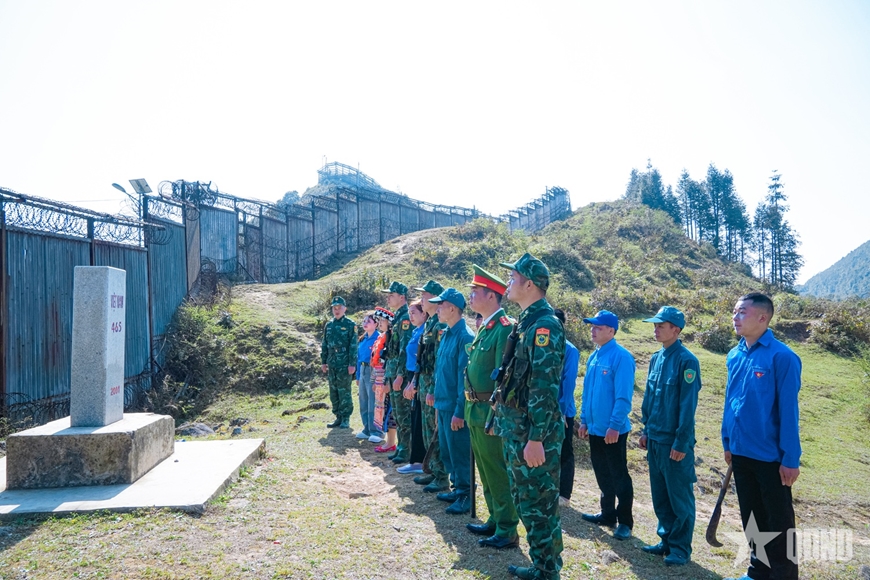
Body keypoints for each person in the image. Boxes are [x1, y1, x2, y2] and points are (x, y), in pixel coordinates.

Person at [495, 253, 565, 580]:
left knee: (539, 508)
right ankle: (541, 567)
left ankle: (548, 572)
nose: (508, 282)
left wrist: (537, 437)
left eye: (513, 278)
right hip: (518, 429)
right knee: (526, 503)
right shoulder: (526, 322)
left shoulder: (545, 326)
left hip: (534, 434)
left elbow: (543, 386)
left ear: (530, 283)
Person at [722, 293, 801, 580]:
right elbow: (730, 402)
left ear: (763, 318)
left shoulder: (783, 357)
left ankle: (784, 575)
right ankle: (758, 571)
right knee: (752, 518)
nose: (735, 317)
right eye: (734, 311)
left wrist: (790, 458)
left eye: (742, 312)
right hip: (741, 452)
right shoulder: (735, 354)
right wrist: (727, 442)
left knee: (779, 523)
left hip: (770, 457)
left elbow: (789, 413)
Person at [638, 306, 701, 567]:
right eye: (654, 325)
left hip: (674, 443)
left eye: (660, 326)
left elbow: (688, 406)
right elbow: (650, 398)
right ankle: (665, 539)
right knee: (660, 495)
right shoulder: (656, 358)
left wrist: (681, 442)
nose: (656, 329)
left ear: (676, 330)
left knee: (679, 497)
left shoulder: (687, 362)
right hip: (655, 438)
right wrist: (645, 430)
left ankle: (680, 548)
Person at [465, 265, 519, 549]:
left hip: (490, 412)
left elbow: (504, 378)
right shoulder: (484, 328)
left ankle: (508, 527)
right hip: (474, 409)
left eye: (475, 292)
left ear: (491, 295)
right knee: (485, 470)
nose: (470, 297)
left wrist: (496, 415)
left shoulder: (503, 329)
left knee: (497, 470)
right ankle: (495, 520)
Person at [577, 310, 636, 541]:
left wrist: (614, 425)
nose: (593, 330)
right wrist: (584, 421)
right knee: (602, 473)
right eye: (592, 326)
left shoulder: (621, 357)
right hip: (595, 428)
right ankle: (607, 514)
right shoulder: (594, 356)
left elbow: (623, 397)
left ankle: (625, 522)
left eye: (598, 327)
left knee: (619, 475)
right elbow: (588, 392)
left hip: (614, 431)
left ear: (611, 331)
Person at [429, 287, 475, 515]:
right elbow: (441, 372)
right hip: (444, 404)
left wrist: (459, 410)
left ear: (453, 308)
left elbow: (464, 380)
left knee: (460, 452)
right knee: (448, 451)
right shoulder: (447, 333)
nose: (437, 308)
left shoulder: (465, 336)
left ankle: (466, 494)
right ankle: (457, 489)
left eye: (441, 305)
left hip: (456, 407)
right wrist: (438, 404)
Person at [413, 280, 450, 492]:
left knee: (435, 430)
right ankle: (433, 470)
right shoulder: (430, 323)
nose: (422, 299)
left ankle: (442, 475)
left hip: (433, 384)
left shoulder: (440, 325)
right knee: (428, 429)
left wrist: (435, 390)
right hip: (425, 382)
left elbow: (439, 361)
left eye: (426, 296)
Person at [381, 281, 413, 464]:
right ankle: (402, 448)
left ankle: (406, 450)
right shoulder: (397, 318)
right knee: (398, 414)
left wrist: (400, 375)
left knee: (403, 414)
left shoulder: (405, 319)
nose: (388, 297)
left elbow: (403, 350)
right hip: (393, 372)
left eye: (391, 295)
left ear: (402, 297)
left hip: (399, 374)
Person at [397, 300, 428, 475]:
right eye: (409, 313)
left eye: (414, 313)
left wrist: (413, 382)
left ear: (424, 314)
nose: (411, 316)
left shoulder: (425, 331)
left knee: (418, 420)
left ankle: (418, 460)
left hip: (417, 377)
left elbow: (421, 359)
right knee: (414, 417)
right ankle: (416, 459)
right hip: (412, 375)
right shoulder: (417, 331)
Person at [553, 308, 578, 508]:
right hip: (545, 410)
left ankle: (564, 494)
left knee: (565, 451)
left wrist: (561, 410)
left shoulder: (570, 350)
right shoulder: (546, 344)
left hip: (563, 412)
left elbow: (568, 383)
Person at [320, 296, 357, 429]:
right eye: (334, 308)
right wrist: (323, 361)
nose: (336, 310)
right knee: (333, 391)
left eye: (339, 308)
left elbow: (353, 345)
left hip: (345, 363)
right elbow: (324, 344)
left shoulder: (350, 325)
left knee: (344, 391)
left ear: (344, 309)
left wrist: (352, 364)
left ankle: (346, 418)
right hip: (332, 362)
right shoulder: (329, 325)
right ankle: (338, 417)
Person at [371, 307, 397, 453]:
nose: (379, 323)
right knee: (385, 408)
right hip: (381, 378)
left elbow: (389, 360)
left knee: (390, 411)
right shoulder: (382, 337)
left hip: (388, 379)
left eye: (382, 320)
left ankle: (391, 442)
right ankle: (389, 441)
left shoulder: (391, 337)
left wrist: (387, 381)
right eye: (379, 320)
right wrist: (375, 379)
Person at [355, 314, 383, 443]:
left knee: (373, 401)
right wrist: (358, 376)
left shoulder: (379, 338)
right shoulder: (363, 339)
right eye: (364, 321)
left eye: (369, 321)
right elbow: (358, 358)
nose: (365, 323)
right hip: (363, 369)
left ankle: (376, 431)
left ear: (376, 324)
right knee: (363, 400)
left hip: (374, 369)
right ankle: (366, 429)